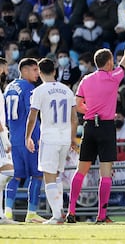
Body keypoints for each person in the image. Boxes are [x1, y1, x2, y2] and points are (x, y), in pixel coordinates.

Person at [65, 16, 125, 223]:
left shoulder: (86, 80)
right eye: (113, 60)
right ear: (109, 62)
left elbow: (78, 104)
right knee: (106, 173)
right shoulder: (114, 77)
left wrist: (91, 111)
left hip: (89, 125)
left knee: (81, 171)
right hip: (105, 127)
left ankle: (71, 212)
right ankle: (102, 215)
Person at [25, 58, 78, 224]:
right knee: (56, 176)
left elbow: (32, 117)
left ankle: (56, 216)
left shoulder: (39, 91)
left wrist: (27, 137)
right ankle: (59, 212)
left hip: (50, 137)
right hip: (64, 138)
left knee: (49, 176)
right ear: (55, 71)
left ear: (39, 72)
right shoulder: (67, 90)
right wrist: (72, 139)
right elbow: (75, 119)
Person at [4, 58, 45, 223]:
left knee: (15, 176)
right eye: (35, 70)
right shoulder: (29, 88)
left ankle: (7, 213)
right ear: (25, 70)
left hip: (13, 137)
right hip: (29, 138)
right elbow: (32, 115)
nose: (38, 73)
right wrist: (37, 136)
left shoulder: (9, 87)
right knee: (37, 175)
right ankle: (32, 213)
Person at [0, 58, 17, 224]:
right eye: (4, 68)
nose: (6, 71)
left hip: (2, 132)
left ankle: (1, 216)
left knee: (5, 174)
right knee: (10, 171)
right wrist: (5, 138)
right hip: (0, 135)